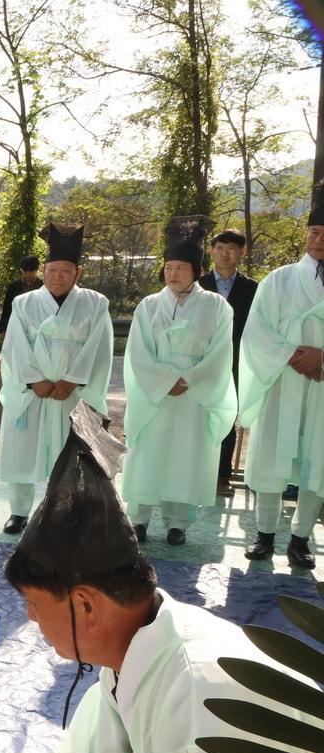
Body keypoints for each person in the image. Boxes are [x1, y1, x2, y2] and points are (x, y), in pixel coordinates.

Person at [7, 403, 302, 753]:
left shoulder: (198, 690)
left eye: (33, 603)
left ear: (86, 605)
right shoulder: (137, 648)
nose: (28, 619)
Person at [122, 216, 236, 546]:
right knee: (148, 451)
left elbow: (220, 353)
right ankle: (139, 518)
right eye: (169, 267)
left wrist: (187, 380)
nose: (172, 274)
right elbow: (138, 352)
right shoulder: (149, 305)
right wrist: (164, 381)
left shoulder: (216, 306)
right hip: (155, 393)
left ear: (196, 271)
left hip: (192, 393)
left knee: (186, 453)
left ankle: (177, 522)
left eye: (180, 268)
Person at [0, 221, 113, 534]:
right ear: (43, 271)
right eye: (52, 270)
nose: (58, 277)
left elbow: (99, 349)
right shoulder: (23, 303)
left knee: (70, 455)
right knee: (22, 450)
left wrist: (73, 381)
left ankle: (66, 513)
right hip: (33, 392)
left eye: (65, 271)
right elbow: (14, 347)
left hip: (71, 394)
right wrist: (34, 380)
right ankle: (19, 512)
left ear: (78, 273)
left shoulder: (95, 304)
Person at [240, 151, 324, 569]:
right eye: (314, 231)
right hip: (284, 377)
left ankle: (301, 539)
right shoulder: (280, 279)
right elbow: (257, 331)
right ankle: (265, 533)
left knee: (319, 459)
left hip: (323, 382)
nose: (319, 240)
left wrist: (321, 359)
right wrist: (294, 355)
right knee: (272, 455)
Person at [198, 229, 257, 493]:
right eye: (220, 247)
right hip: (200, 360)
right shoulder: (197, 284)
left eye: (232, 248)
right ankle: (195, 469)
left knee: (227, 414)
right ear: (212, 251)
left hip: (235, 361)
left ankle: (221, 476)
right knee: (198, 413)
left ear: (242, 253)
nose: (226, 253)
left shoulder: (252, 288)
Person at [0, 255, 42, 335]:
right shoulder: (13, 286)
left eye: (31, 272)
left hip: (37, 327)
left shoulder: (42, 286)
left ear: (36, 270)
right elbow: (7, 308)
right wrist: (3, 329)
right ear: (21, 270)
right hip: (16, 325)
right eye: (25, 271)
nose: (28, 274)